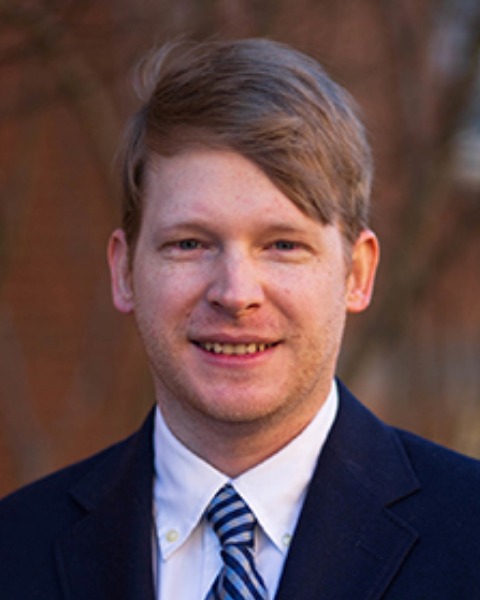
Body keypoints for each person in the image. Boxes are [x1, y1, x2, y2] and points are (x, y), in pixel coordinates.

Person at [1, 38, 479, 600]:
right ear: (124, 271)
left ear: (357, 273)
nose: (235, 294)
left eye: (282, 245)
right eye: (189, 243)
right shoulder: (15, 550)